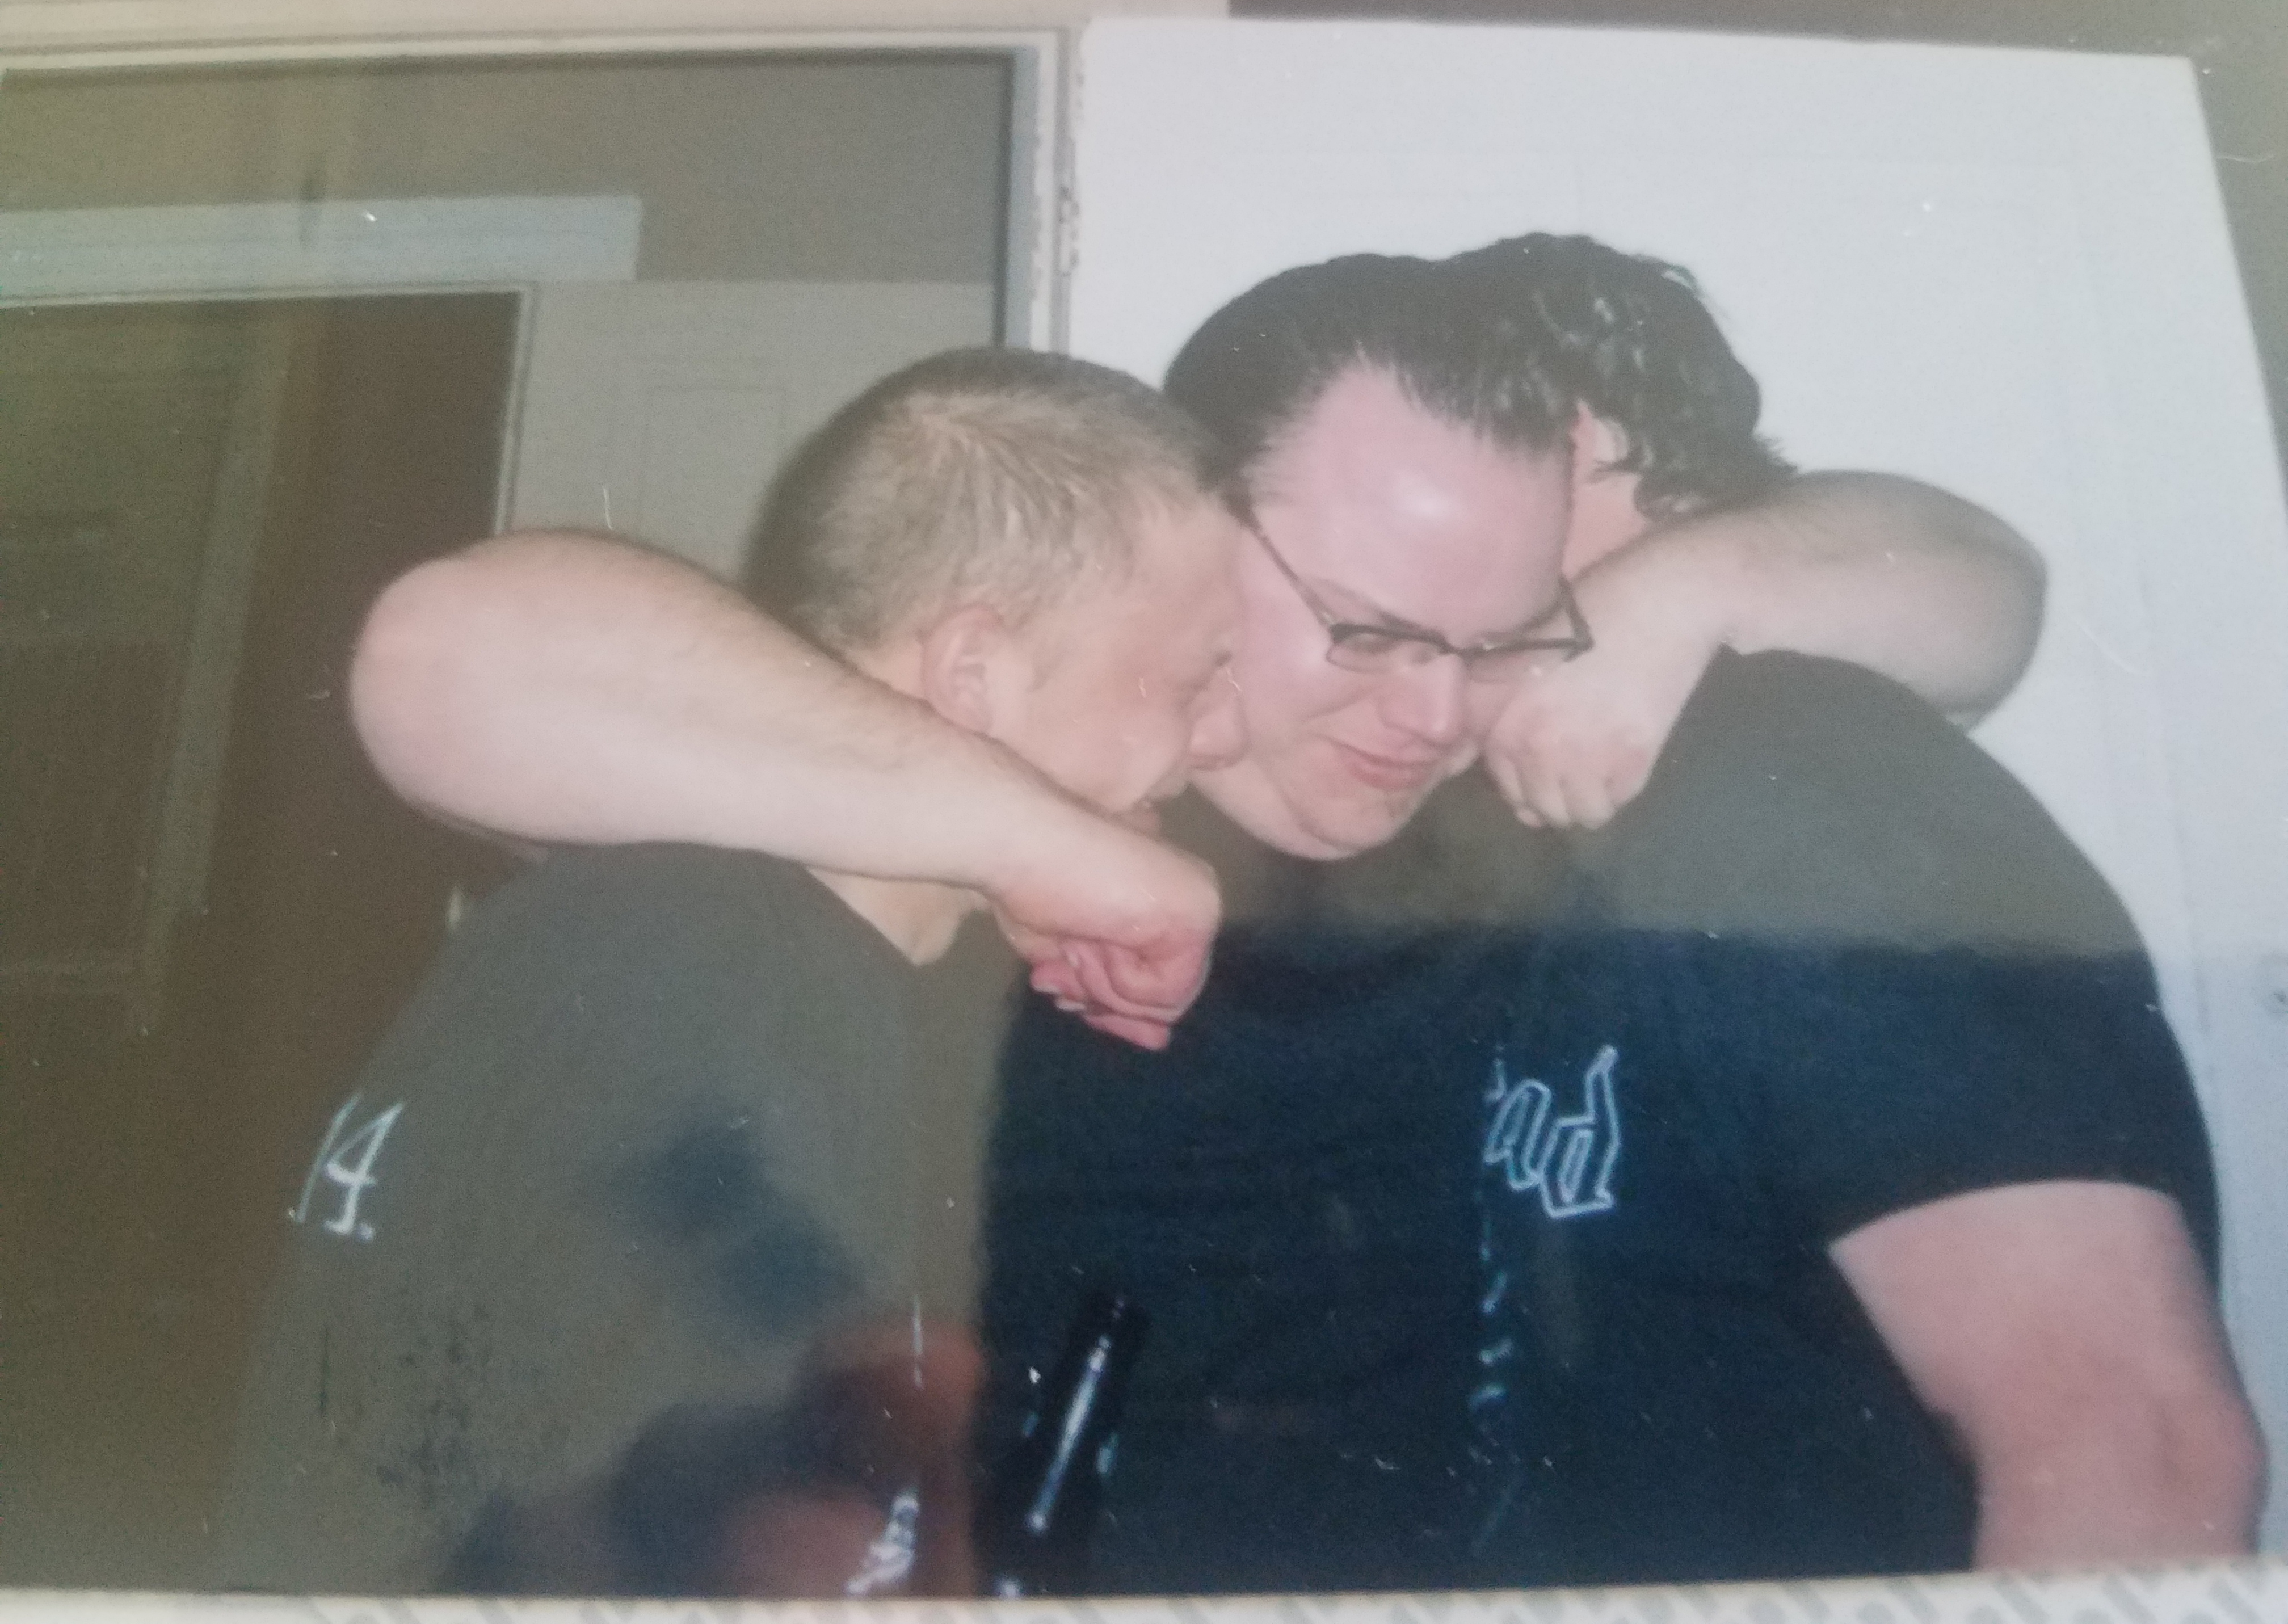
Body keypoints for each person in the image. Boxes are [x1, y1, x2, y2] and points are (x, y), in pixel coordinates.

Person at [337, 235, 2256, 1587]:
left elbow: (1972, 592)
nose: (1430, 713)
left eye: (1497, 637)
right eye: (1363, 627)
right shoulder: (996, 794)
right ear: (1192, 530)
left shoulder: (1551, 820)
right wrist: (1055, 843)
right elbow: (441, 660)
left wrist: (1678, 593)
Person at [210, 347, 1248, 1595]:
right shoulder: (728, 980)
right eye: (1194, 675)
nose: (1220, 734)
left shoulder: (703, 939)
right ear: (975, 674)